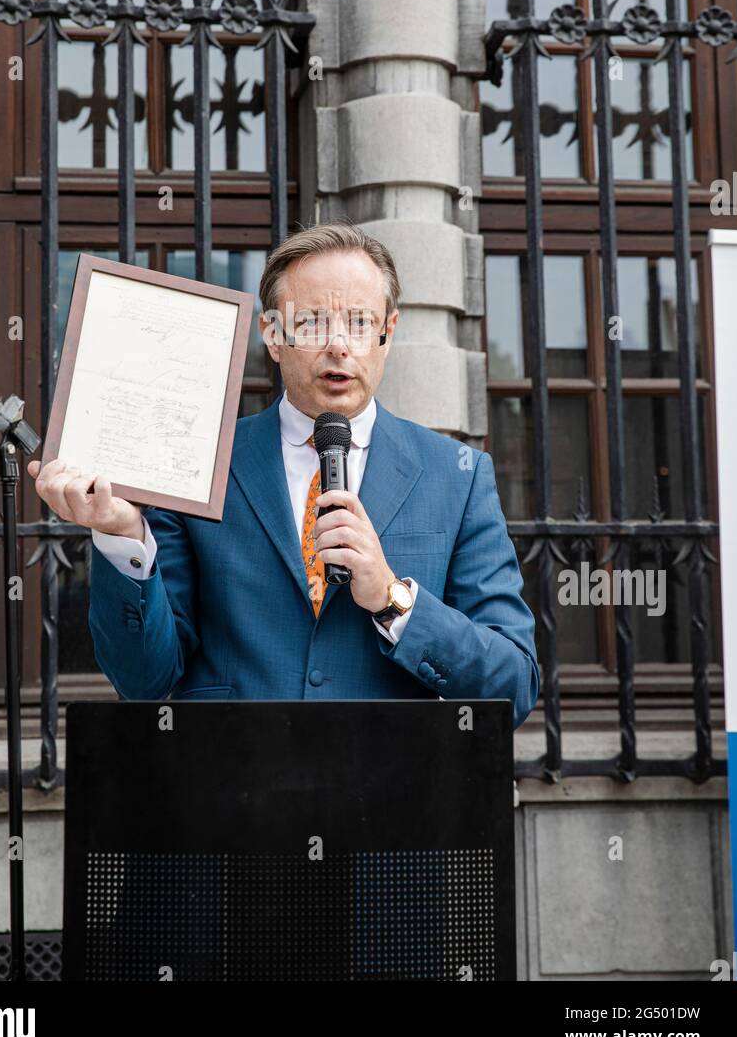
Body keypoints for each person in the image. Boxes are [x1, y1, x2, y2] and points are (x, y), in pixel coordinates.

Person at [27, 222, 539, 726]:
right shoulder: (201, 462)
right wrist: (122, 538)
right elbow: (146, 681)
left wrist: (393, 598)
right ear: (272, 333)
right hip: (234, 791)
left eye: (360, 322)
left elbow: (512, 684)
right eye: (313, 320)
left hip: (390, 794)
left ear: (388, 333)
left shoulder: (458, 476)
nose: (339, 345)